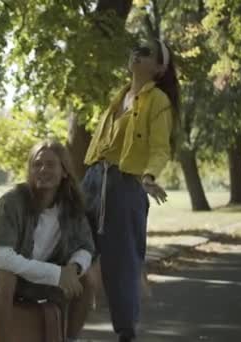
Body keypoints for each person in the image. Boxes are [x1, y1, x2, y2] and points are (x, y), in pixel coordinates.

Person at [81, 39, 180, 342]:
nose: (138, 51)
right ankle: (66, 329)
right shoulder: (120, 96)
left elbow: (160, 148)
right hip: (94, 179)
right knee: (74, 249)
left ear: (159, 69)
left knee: (121, 263)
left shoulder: (158, 100)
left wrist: (148, 177)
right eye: (137, 48)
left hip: (125, 186)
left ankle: (126, 333)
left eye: (148, 51)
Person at [0, 140, 95, 342]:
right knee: (6, 276)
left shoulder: (71, 207)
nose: (43, 170)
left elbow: (85, 247)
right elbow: (2, 258)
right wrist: (57, 274)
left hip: (33, 276)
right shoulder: (12, 202)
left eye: (50, 164)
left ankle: (69, 339)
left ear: (64, 172)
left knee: (87, 280)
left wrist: (72, 270)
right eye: (37, 164)